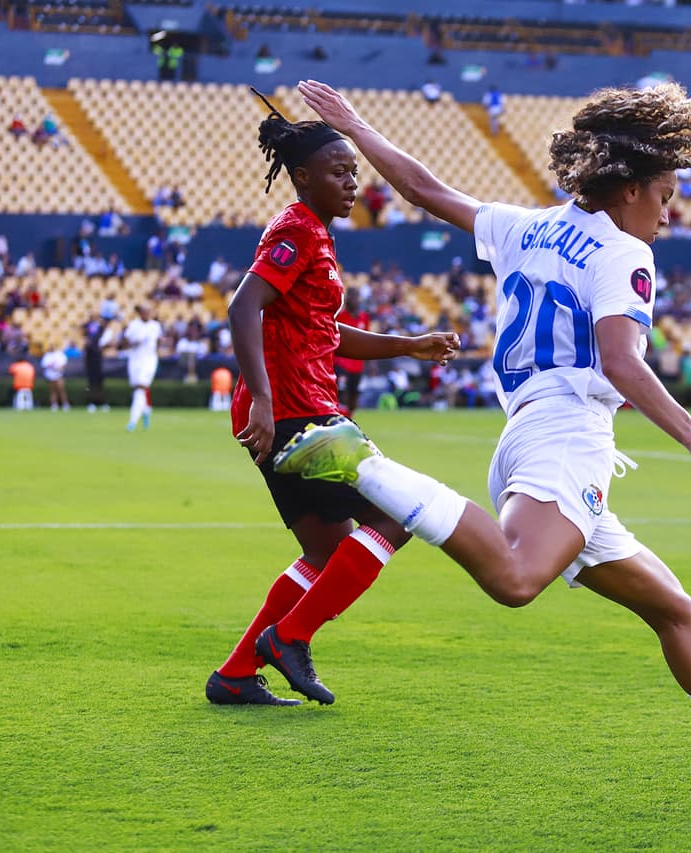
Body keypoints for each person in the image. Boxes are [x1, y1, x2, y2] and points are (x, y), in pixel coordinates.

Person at [278, 79, 691, 798]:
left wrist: (356, 124)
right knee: (517, 579)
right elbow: (619, 360)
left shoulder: (529, 225)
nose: (668, 214)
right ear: (631, 187)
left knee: (673, 611)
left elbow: (422, 189)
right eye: (666, 196)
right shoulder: (624, 255)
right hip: (566, 436)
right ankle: (362, 464)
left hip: (530, 436)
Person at [205, 88, 459, 708]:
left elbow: (320, 330)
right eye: (340, 172)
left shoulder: (314, 232)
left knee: (324, 549)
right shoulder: (296, 228)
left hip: (296, 405)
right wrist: (264, 401)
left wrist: (406, 345)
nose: (353, 184)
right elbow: (244, 305)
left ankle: (237, 674)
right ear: (302, 176)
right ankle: (288, 636)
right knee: (393, 519)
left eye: (355, 173)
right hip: (297, 410)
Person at [118, 304, 162, 431]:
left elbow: (158, 341)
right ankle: (146, 411)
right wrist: (134, 343)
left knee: (140, 387)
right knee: (138, 389)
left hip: (149, 360)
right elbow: (124, 342)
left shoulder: (155, 326)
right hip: (135, 359)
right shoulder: (134, 325)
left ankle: (133, 421)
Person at [82, 315, 108, 411]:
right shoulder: (89, 346)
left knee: (99, 386)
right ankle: (91, 403)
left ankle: (101, 403)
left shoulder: (96, 343)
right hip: (91, 367)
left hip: (97, 367)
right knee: (91, 386)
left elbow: (102, 329)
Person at [41, 343, 69, 411]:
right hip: (50, 376)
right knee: (52, 391)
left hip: (59, 375)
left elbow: (64, 364)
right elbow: (44, 365)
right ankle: (54, 405)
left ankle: (65, 404)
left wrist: (59, 368)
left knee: (61, 390)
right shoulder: (47, 355)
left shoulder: (60, 354)